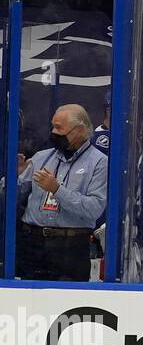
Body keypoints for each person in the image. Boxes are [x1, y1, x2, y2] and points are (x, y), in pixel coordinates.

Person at [15, 103, 107, 281]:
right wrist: (15, 177)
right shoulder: (42, 157)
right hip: (32, 243)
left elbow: (94, 208)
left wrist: (57, 189)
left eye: (59, 128)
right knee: (28, 300)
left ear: (79, 130)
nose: (54, 132)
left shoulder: (99, 162)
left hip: (69, 248)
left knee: (67, 303)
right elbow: (11, 195)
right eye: (53, 126)